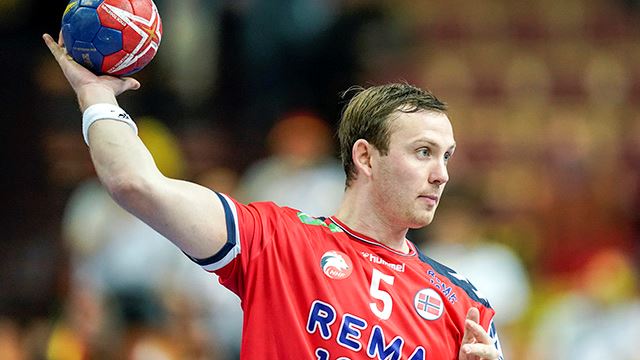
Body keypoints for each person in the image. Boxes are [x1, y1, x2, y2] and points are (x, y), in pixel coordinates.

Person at [43, 32, 503, 360]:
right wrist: (96, 94)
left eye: (447, 156)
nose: (441, 174)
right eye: (423, 152)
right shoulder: (275, 240)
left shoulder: (463, 306)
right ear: (365, 156)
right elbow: (135, 183)